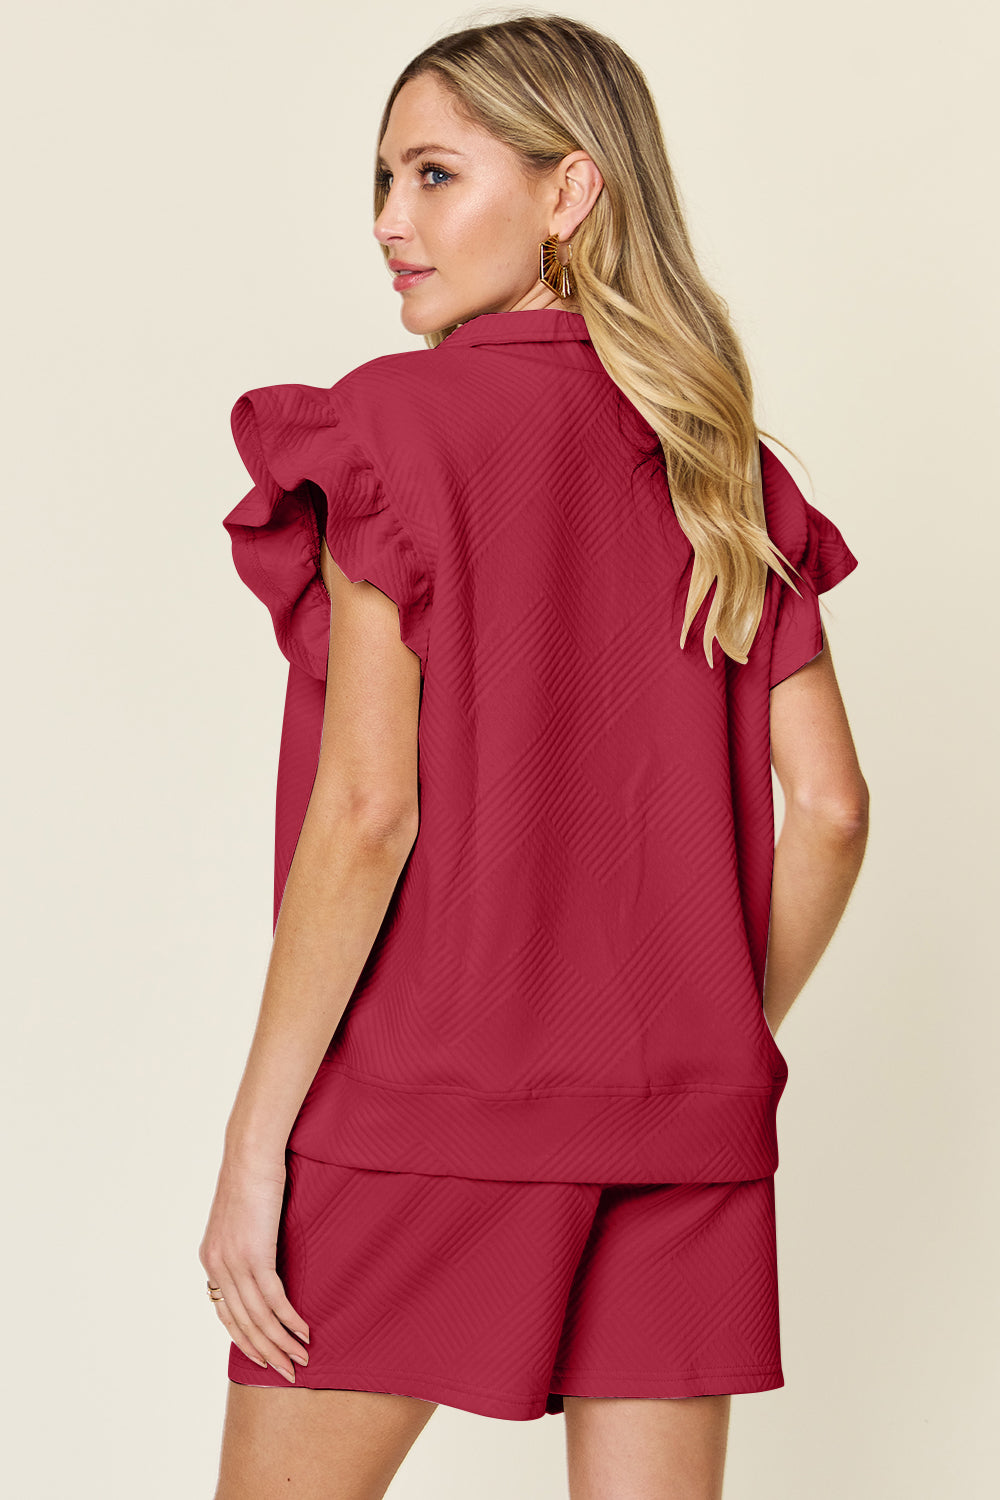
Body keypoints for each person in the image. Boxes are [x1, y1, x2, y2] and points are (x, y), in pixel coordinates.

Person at [200, 13, 869, 1499]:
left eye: (435, 175)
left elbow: (369, 812)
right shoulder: (720, 461)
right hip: (681, 1130)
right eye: (379, 180)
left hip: (427, 1106)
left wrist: (257, 1150)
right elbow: (827, 811)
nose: (390, 221)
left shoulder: (395, 428)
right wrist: (697, 1030)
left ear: (572, 194)